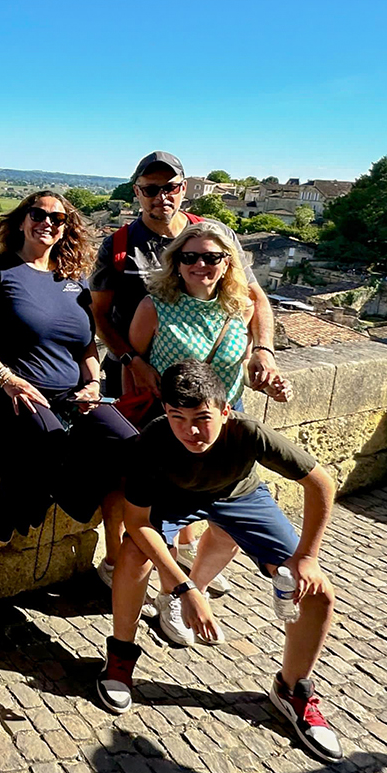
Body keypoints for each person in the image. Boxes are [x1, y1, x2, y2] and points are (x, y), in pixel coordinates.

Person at [97, 360, 345, 764]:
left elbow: (320, 483)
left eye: (201, 418)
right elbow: (138, 524)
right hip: (172, 499)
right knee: (133, 554)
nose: (190, 431)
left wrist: (308, 557)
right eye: (177, 417)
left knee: (317, 593)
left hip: (239, 496)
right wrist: (185, 588)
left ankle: (291, 689)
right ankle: (120, 659)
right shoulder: (152, 443)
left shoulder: (249, 433)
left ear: (225, 410)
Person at [90, 151, 280, 593]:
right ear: (137, 192)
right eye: (150, 189)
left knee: (200, 472)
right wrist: (131, 362)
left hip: (218, 387)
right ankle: (118, 558)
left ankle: (181, 559)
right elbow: (101, 316)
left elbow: (255, 298)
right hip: (137, 376)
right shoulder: (119, 245)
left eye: (170, 187)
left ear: (184, 189)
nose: (161, 197)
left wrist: (265, 350)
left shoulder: (213, 235)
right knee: (129, 475)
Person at [128, 220, 293, 646]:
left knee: (229, 526)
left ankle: (187, 589)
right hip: (172, 432)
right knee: (153, 526)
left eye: (212, 257)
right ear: (177, 263)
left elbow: (256, 342)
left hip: (226, 426)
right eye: (191, 257)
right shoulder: (155, 306)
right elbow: (133, 363)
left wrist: (266, 363)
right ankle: (173, 590)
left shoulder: (239, 305)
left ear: (227, 263)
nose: (201, 264)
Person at [0, 190, 135, 539]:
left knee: (129, 443)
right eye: (38, 215)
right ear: (22, 221)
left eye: (57, 219)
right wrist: (6, 377)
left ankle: (72, 500)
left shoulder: (74, 279)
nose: (47, 223)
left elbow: (86, 345)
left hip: (72, 396)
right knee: (50, 438)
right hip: (16, 392)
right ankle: (20, 498)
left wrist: (94, 385)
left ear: (65, 229)